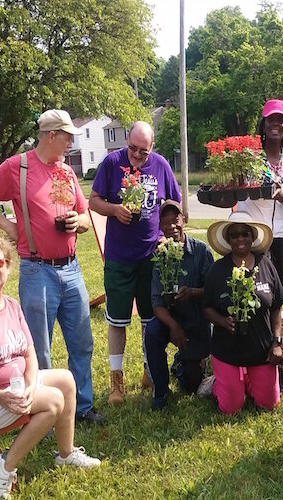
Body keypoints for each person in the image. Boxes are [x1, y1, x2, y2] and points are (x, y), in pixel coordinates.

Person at [0, 109, 103, 425]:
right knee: (38, 348)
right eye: (67, 136)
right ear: (50, 135)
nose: (71, 142)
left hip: (71, 269)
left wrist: (78, 222)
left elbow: (86, 215)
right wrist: (8, 227)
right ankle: (44, 409)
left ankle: (81, 407)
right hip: (36, 269)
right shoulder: (19, 167)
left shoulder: (66, 172)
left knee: (81, 341)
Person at [0, 233, 100, 499]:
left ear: (7, 265)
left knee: (66, 379)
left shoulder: (11, 306)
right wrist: (0, 396)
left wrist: (30, 386)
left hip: (10, 390)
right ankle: (5, 467)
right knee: (53, 401)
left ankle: (66, 454)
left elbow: (29, 351)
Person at [89, 121, 181, 404]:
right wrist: (115, 209)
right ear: (126, 141)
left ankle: (149, 370)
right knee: (117, 321)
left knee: (149, 320)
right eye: (133, 149)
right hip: (119, 258)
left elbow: (176, 207)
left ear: (152, 147)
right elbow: (93, 201)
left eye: (144, 151)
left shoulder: (161, 165)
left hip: (151, 257)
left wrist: (169, 235)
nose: (138, 156)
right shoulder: (110, 163)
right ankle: (117, 380)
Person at [202, 211, 283, 414]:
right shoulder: (218, 269)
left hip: (261, 351)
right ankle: (216, 383)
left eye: (245, 234)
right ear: (228, 240)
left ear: (252, 237)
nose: (240, 239)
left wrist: (276, 342)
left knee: (269, 404)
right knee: (230, 407)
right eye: (235, 235)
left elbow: (276, 307)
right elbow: (206, 307)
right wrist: (222, 321)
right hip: (227, 352)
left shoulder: (265, 265)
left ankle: (247, 379)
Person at [144, 200, 214, 409]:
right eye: (165, 223)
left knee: (191, 386)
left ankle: (184, 363)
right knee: (152, 332)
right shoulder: (160, 256)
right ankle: (161, 392)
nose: (171, 227)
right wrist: (173, 326)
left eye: (175, 221)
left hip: (197, 321)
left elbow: (214, 293)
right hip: (171, 320)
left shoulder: (202, 252)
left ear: (184, 220)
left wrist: (193, 293)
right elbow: (157, 303)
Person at [235, 98, 283, 287]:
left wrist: (282, 197)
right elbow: (235, 192)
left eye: (280, 120)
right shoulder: (250, 157)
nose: (275, 124)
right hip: (251, 237)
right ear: (263, 125)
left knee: (276, 293)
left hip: (278, 240)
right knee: (248, 291)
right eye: (270, 119)